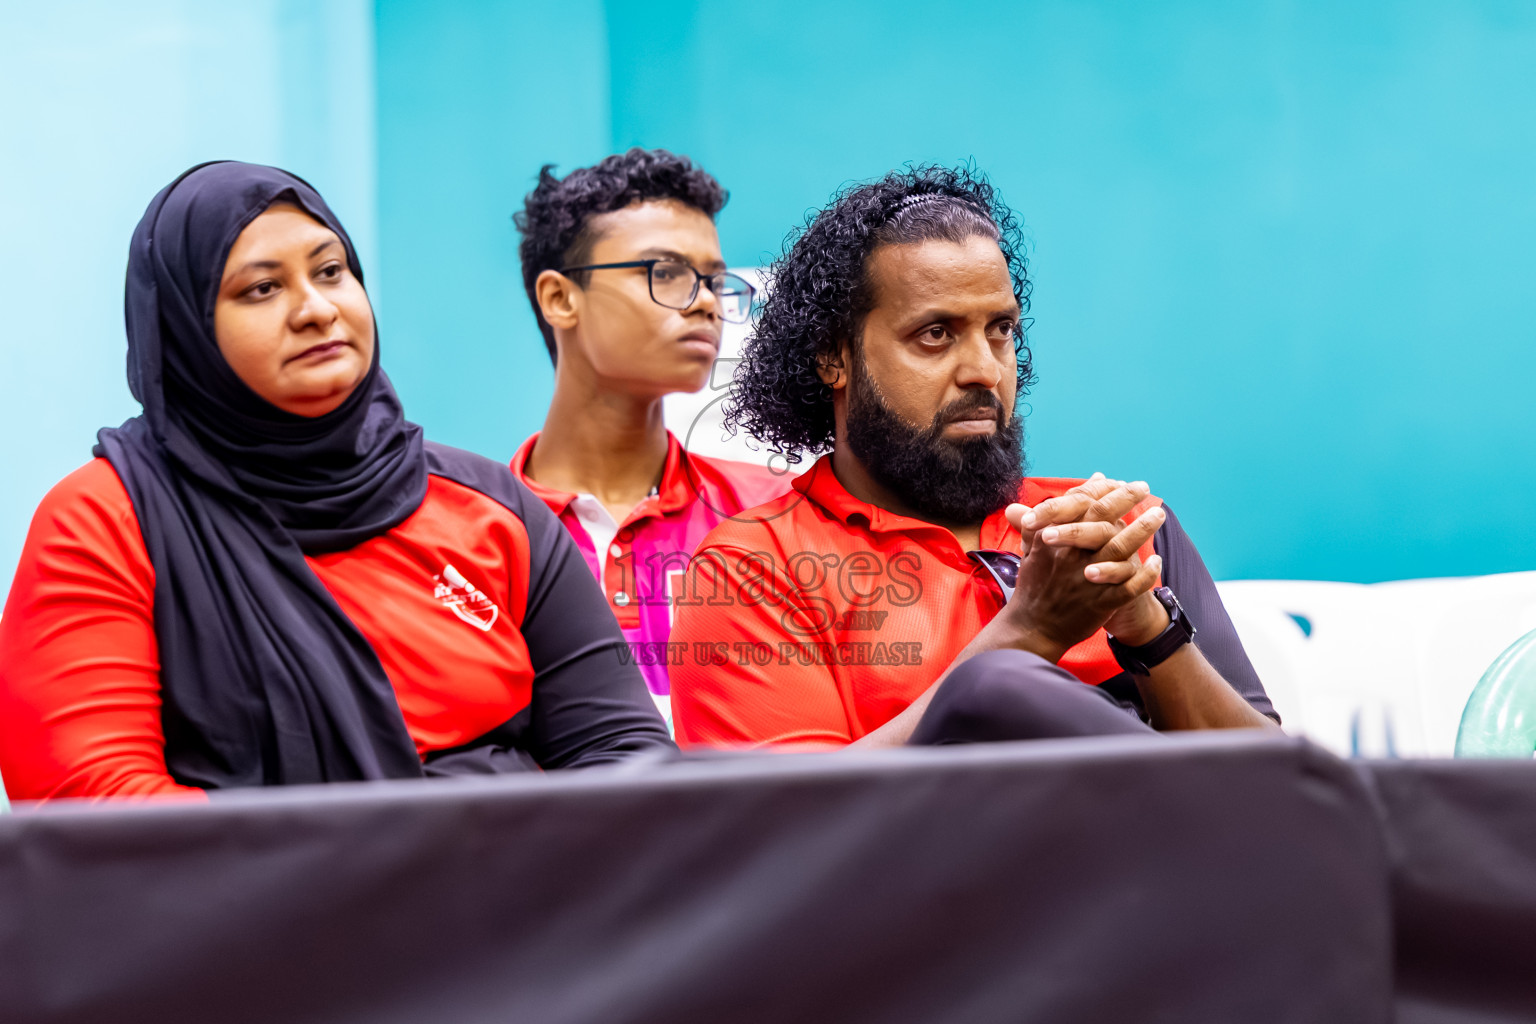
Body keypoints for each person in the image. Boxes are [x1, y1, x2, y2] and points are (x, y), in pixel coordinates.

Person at [0, 162, 672, 802]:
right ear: (185, 328)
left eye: (331, 271)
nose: (317, 309)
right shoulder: (107, 519)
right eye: (262, 288)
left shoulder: (490, 506)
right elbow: (91, 801)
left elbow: (624, 754)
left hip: (524, 902)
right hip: (250, 912)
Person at [669, 166, 1279, 749]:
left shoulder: (1121, 530)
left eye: (1001, 330)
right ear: (835, 358)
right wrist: (1030, 632)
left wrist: (1147, 626)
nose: (984, 371)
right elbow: (792, 825)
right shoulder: (752, 571)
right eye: (935, 334)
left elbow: (1277, 795)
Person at [511, 149, 791, 727]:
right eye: (664, 273)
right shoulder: (481, 533)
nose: (708, 301)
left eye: (714, 279)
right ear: (560, 298)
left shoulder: (778, 514)